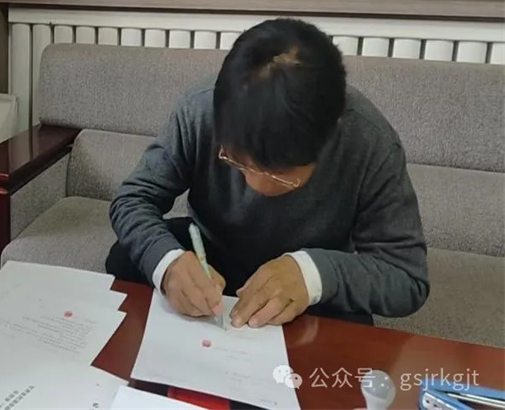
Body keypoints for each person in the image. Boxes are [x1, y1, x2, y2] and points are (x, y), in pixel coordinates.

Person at [106, 18, 429, 330]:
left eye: (280, 175)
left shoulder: (369, 141)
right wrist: (168, 263)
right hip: (215, 254)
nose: (255, 185)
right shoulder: (201, 110)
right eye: (236, 161)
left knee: (348, 338)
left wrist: (313, 274)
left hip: (309, 277)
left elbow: (406, 276)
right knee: (128, 257)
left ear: (330, 136)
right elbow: (133, 199)